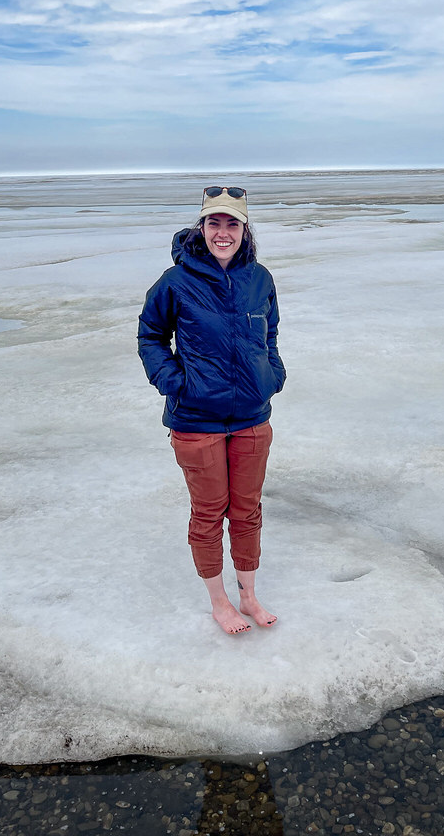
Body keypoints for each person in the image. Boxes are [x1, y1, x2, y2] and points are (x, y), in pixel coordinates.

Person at [137, 186, 286, 635]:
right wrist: (175, 384)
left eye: (232, 223)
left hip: (251, 418)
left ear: (245, 230)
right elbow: (150, 338)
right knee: (209, 512)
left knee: (247, 508)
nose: (223, 232)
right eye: (214, 223)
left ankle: (249, 594)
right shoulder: (175, 282)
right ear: (201, 228)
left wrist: (271, 374)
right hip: (196, 420)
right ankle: (219, 602)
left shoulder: (259, 278)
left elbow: (271, 333)